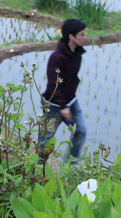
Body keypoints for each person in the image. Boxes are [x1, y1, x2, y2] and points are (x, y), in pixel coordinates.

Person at [37, 18, 88, 165]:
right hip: (53, 103)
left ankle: (70, 166)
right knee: (45, 138)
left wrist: (68, 103)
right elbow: (54, 84)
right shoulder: (56, 58)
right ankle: (39, 166)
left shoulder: (77, 54)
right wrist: (63, 107)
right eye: (82, 35)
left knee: (81, 130)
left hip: (71, 100)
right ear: (71, 37)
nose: (84, 38)